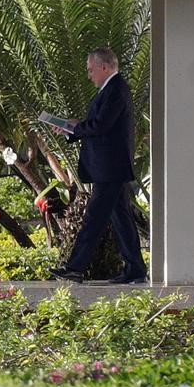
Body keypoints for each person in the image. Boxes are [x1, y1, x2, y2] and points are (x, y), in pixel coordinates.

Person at [49, 47, 148, 284]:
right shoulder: (111, 89)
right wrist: (73, 127)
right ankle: (135, 269)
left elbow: (101, 126)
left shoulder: (115, 89)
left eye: (91, 70)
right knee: (121, 218)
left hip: (109, 169)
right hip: (109, 168)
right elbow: (99, 124)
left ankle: (75, 268)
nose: (89, 75)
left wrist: (75, 128)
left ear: (104, 67)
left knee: (94, 218)